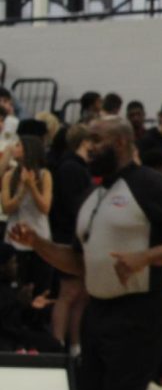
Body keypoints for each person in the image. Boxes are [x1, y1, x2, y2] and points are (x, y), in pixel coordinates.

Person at [9, 117, 162, 390]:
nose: (89, 148)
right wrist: (38, 244)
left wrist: (145, 258)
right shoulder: (93, 195)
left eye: (96, 140)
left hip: (141, 311)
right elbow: (78, 263)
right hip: (98, 313)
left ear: (120, 143)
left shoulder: (149, 185)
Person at [50, 123, 92, 354]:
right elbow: (71, 206)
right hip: (67, 236)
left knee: (81, 294)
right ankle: (58, 343)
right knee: (68, 293)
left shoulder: (78, 167)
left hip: (77, 237)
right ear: (84, 142)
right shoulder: (70, 168)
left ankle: (75, 346)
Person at [2, 135, 54, 292]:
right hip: (14, 236)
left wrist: (32, 186)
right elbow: (6, 208)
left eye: (18, 146)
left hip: (38, 238)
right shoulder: (9, 176)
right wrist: (22, 190)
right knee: (17, 286)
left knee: (39, 287)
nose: (14, 149)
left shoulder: (45, 175)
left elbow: (45, 208)